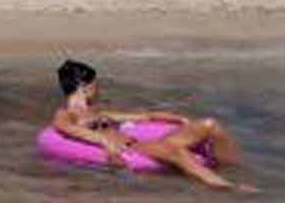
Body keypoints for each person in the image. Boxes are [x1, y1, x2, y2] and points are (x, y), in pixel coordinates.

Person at [51, 59, 249, 192]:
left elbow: (144, 117)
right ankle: (229, 187)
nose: (99, 91)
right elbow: (65, 128)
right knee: (174, 150)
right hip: (133, 149)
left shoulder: (99, 113)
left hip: (142, 143)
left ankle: (232, 169)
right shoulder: (66, 114)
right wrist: (103, 140)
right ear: (85, 88)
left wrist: (176, 118)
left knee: (210, 125)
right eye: (96, 86)